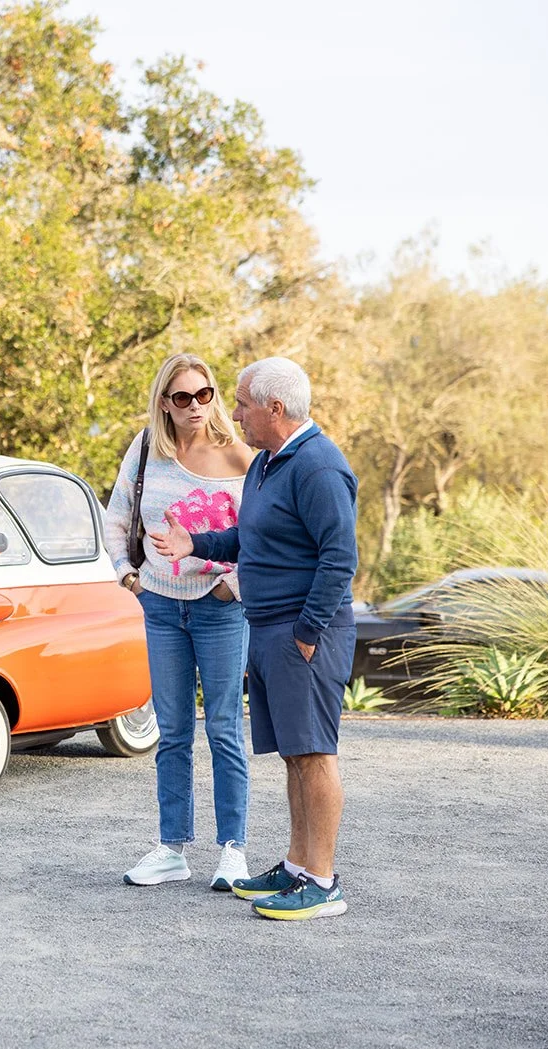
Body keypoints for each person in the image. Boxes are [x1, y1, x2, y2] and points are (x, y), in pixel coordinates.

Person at [151, 355, 359, 921]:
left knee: (315, 755)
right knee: (294, 755)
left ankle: (322, 882)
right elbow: (251, 536)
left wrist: (309, 632)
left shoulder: (318, 466)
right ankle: (296, 867)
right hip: (267, 629)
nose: (233, 412)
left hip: (301, 634)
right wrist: (197, 544)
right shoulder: (268, 463)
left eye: (241, 402)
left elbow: (340, 558)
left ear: (274, 407)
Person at [105, 353, 253, 891]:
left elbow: (261, 535)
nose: (196, 407)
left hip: (220, 611)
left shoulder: (240, 456)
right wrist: (128, 576)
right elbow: (118, 516)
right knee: (171, 734)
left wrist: (229, 585)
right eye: (183, 397)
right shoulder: (146, 450)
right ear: (165, 403)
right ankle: (172, 848)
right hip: (161, 608)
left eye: (206, 394)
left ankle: (233, 850)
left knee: (222, 729)